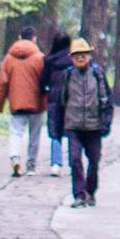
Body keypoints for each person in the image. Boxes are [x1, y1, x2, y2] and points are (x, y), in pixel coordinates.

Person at [51, 35, 114, 207]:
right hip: (73, 125)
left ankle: (90, 191)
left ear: (89, 56)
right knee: (75, 160)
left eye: (84, 54)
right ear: (71, 57)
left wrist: (106, 123)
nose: (80, 57)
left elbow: (108, 101)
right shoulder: (67, 75)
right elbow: (60, 103)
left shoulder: (97, 74)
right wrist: (56, 130)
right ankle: (79, 194)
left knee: (94, 161)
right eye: (77, 54)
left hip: (94, 126)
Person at [0, 26, 47, 177]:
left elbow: (2, 83)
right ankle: (31, 165)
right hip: (36, 104)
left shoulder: (9, 59)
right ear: (34, 38)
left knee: (16, 133)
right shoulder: (40, 58)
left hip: (16, 104)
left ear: (19, 38)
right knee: (34, 135)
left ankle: (15, 158)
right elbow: (45, 81)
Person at [43, 32, 71, 176]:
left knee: (55, 132)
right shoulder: (73, 59)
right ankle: (74, 162)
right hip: (71, 98)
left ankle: (55, 163)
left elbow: (44, 80)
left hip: (54, 97)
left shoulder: (49, 61)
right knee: (73, 130)